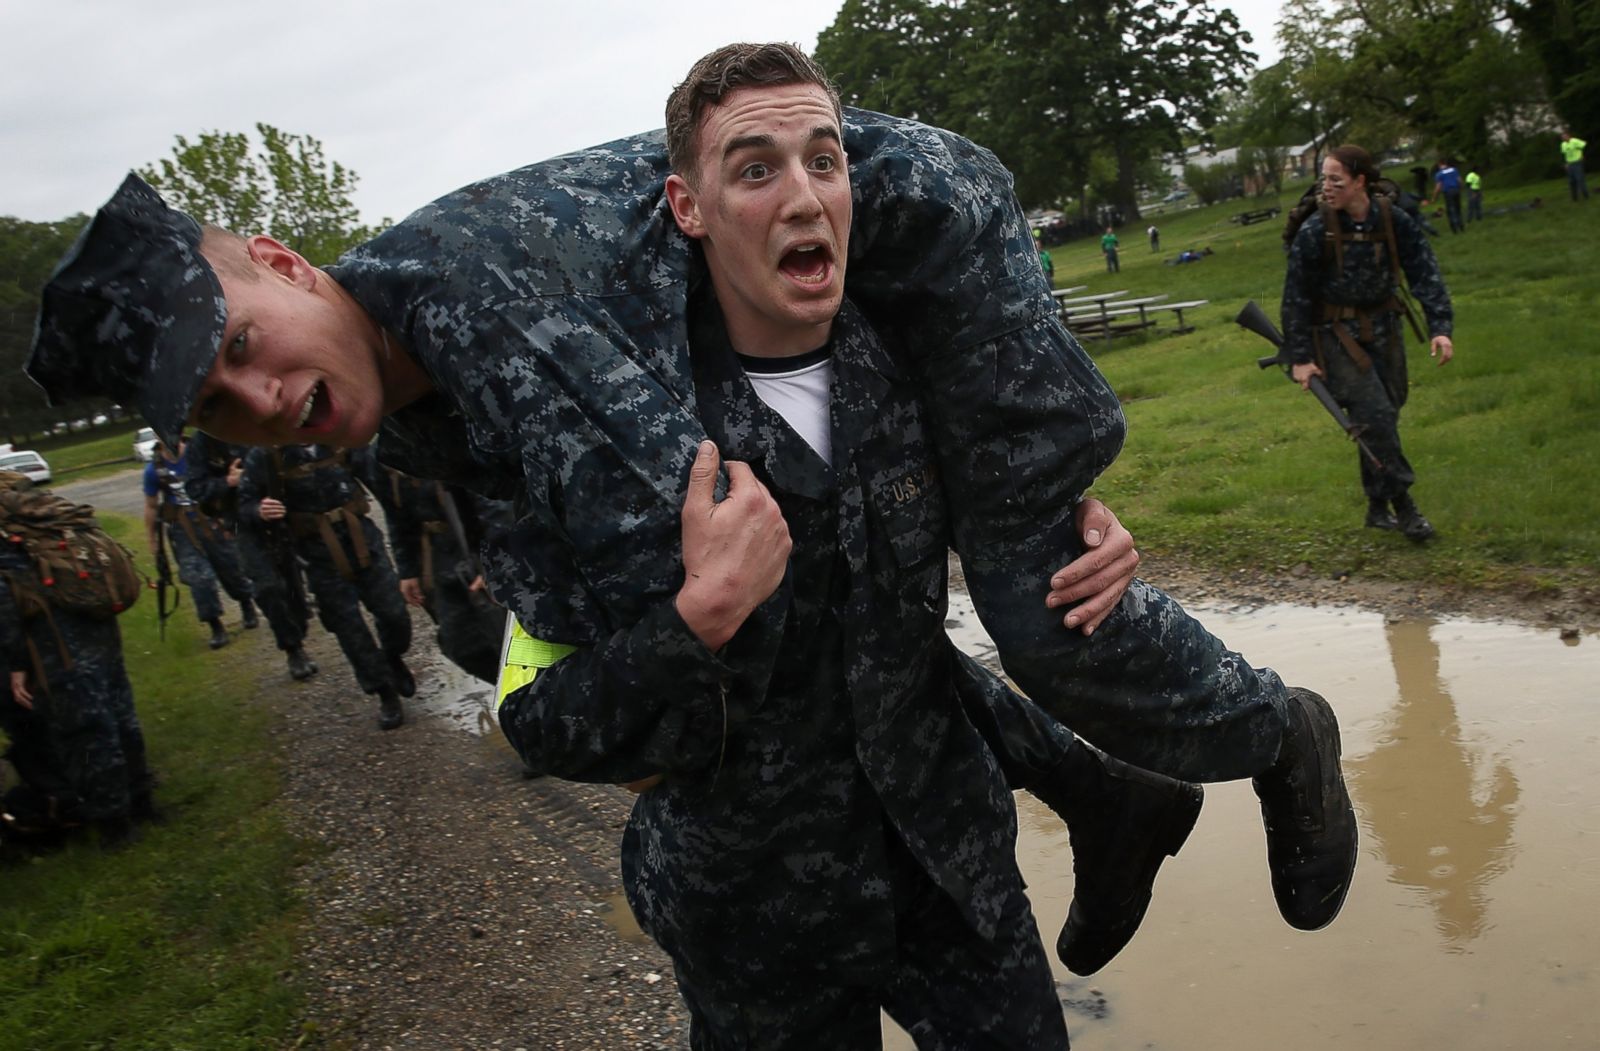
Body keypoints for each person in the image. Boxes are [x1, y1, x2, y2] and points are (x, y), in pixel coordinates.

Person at [28, 41, 1360, 1031]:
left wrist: (1028, 466)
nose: (261, 399)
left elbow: (869, 214)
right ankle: (1114, 792)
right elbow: (542, 695)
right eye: (220, 402)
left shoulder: (508, 284)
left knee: (1039, 598)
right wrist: (681, 631)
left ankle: (1266, 730)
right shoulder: (410, 448)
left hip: (939, 834)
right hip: (754, 915)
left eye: (244, 345)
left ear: (284, 262)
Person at [1282, 145, 1456, 540]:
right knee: (1375, 417)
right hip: (1337, 338)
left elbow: (1425, 273)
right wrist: (1301, 358)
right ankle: (1406, 508)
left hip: (1386, 330)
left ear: (1361, 181)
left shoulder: (1393, 221)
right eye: (1324, 178)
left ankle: (1377, 507)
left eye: (1335, 180)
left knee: (1383, 417)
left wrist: (1440, 327)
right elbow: (1295, 298)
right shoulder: (1316, 230)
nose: (1325, 187)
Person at [1, 472, 155, 848]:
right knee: (122, 717)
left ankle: (114, 825)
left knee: (85, 733)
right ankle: (144, 801)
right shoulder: (40, 512)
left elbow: (4, 604)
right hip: (98, 630)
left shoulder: (8, 536)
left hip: (58, 646)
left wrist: (16, 664)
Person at [238, 445, 414, 730]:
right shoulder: (265, 454)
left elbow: (381, 481)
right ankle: (384, 692)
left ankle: (392, 657)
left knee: (394, 613)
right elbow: (245, 504)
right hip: (316, 554)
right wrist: (258, 510)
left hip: (363, 541)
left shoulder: (337, 435)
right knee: (349, 627)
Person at [184, 431, 318, 680]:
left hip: (281, 513)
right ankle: (293, 648)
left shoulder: (254, 424)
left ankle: (297, 628)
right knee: (268, 587)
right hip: (240, 523)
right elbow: (194, 488)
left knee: (293, 589)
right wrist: (228, 483)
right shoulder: (202, 445)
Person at [371, 468, 506, 684]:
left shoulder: (451, 440)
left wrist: (497, 563)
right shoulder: (382, 458)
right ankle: (517, 695)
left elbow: (495, 505)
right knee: (460, 645)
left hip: (478, 548)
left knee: (508, 637)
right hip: (439, 559)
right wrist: (408, 572)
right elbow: (396, 515)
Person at [143, 436, 258, 650]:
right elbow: (151, 505)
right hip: (182, 527)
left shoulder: (201, 454)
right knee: (198, 577)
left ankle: (246, 603)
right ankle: (215, 625)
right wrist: (152, 540)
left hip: (212, 519)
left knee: (231, 566)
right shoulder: (153, 470)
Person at [1431, 159, 1464, 233]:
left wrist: (1434, 197)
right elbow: (1459, 180)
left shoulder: (1439, 174)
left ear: (1439, 165)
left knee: (1451, 210)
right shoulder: (1454, 170)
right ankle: (1461, 226)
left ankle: (1454, 229)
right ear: (1446, 163)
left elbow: (1438, 187)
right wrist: (1461, 188)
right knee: (1458, 208)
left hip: (1448, 192)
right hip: (1456, 190)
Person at [1560, 131, 1588, 201]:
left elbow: (1584, 144)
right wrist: (1566, 163)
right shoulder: (1563, 144)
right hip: (1569, 164)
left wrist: (1581, 154)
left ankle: (1586, 195)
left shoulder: (1574, 141)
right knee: (1571, 181)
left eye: (1565, 136)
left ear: (1569, 136)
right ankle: (1574, 198)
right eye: (1562, 137)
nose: (1564, 138)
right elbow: (1565, 155)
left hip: (1577, 162)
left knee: (1580, 179)